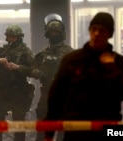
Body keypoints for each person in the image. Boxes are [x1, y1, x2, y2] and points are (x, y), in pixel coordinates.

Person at [44, 12, 123, 141]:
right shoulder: (72, 60)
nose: (97, 33)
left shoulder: (118, 62)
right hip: (76, 128)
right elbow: (56, 96)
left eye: (102, 30)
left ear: (109, 34)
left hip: (106, 126)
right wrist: (49, 132)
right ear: (90, 30)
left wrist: (111, 67)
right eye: (94, 29)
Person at [29, 13, 73, 141]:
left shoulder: (70, 53)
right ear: (47, 34)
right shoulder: (42, 54)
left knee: (63, 128)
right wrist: (37, 72)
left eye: (56, 32)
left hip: (65, 95)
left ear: (61, 33)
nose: (54, 35)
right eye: (51, 32)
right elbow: (31, 69)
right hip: (46, 95)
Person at [0, 24, 35, 141]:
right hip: (2, 91)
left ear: (19, 37)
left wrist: (19, 67)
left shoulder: (26, 52)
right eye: (9, 37)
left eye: (13, 37)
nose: (10, 39)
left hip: (19, 92)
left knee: (18, 123)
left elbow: (35, 71)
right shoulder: (2, 51)